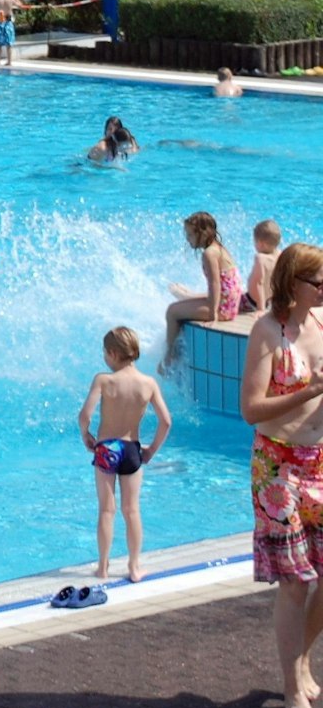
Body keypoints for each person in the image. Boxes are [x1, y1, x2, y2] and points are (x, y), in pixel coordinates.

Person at [240, 243, 323, 708]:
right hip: (277, 467)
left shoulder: (321, 323)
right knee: (294, 583)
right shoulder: (268, 332)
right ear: (294, 284)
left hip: (319, 461)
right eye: (319, 283)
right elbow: (251, 410)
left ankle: (300, 659)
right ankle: (293, 692)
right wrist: (309, 390)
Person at [79, 327, 171, 583]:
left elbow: (85, 415)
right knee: (131, 510)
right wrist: (151, 450)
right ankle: (134, 567)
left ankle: (103, 567)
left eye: (105, 354)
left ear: (112, 353)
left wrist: (86, 435)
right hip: (132, 449)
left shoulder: (103, 380)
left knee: (106, 511)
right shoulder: (148, 383)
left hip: (107, 449)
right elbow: (166, 422)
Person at [165, 210, 244, 355]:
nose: (187, 239)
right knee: (184, 300)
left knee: (172, 311)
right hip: (230, 305)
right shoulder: (219, 248)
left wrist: (213, 314)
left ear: (203, 233)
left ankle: (170, 356)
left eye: (190, 235)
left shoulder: (209, 254)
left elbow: (215, 284)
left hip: (222, 309)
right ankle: (186, 297)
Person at [246, 219, 285, 313]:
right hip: (268, 301)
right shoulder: (280, 255)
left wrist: (261, 309)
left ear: (261, 244)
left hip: (250, 301)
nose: (254, 245)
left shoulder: (260, 259)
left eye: (255, 242)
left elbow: (259, 284)